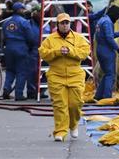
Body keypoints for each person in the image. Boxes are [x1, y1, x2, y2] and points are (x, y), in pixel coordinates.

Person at [39, 13, 90, 142]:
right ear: (57, 25)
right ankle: (60, 131)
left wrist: (71, 51)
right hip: (56, 75)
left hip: (75, 75)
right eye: (62, 23)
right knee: (60, 105)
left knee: (75, 103)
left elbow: (85, 52)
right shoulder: (50, 39)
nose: (65, 25)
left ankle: (73, 125)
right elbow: (43, 53)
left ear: (70, 24)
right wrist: (56, 52)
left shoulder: (78, 38)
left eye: (67, 22)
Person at [2, 2, 38, 100]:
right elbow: (30, 37)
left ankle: (6, 88)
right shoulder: (24, 22)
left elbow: (3, 37)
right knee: (21, 72)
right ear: (20, 10)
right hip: (21, 48)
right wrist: (30, 47)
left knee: (10, 70)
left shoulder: (6, 23)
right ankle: (19, 94)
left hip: (9, 48)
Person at [94, 4, 119, 100]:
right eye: (117, 17)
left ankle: (98, 96)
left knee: (106, 74)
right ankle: (107, 97)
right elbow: (109, 38)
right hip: (107, 51)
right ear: (114, 15)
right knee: (110, 75)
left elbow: (109, 34)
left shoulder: (102, 20)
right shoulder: (108, 22)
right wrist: (118, 49)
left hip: (99, 50)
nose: (117, 19)